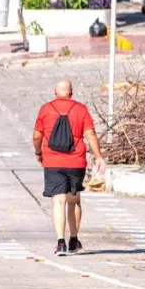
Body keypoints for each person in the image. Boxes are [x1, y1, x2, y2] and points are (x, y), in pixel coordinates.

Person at [33, 79, 106, 256]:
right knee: (73, 200)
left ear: (55, 91)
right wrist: (98, 157)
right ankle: (74, 240)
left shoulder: (46, 109)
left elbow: (37, 136)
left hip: (53, 162)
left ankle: (60, 243)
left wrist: (38, 153)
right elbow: (90, 134)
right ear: (71, 92)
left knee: (58, 201)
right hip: (76, 162)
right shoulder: (81, 109)